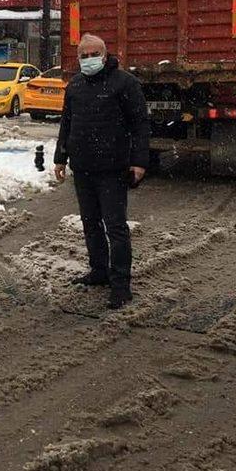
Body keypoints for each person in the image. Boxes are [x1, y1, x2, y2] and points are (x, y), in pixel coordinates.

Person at [54, 33, 149, 309]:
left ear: (105, 56)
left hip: (112, 169)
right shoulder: (75, 86)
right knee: (90, 224)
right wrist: (61, 157)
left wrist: (139, 161)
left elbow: (140, 124)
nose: (88, 60)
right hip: (83, 168)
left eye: (93, 54)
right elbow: (67, 123)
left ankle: (121, 285)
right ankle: (99, 272)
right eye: (83, 55)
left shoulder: (125, 84)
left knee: (115, 227)